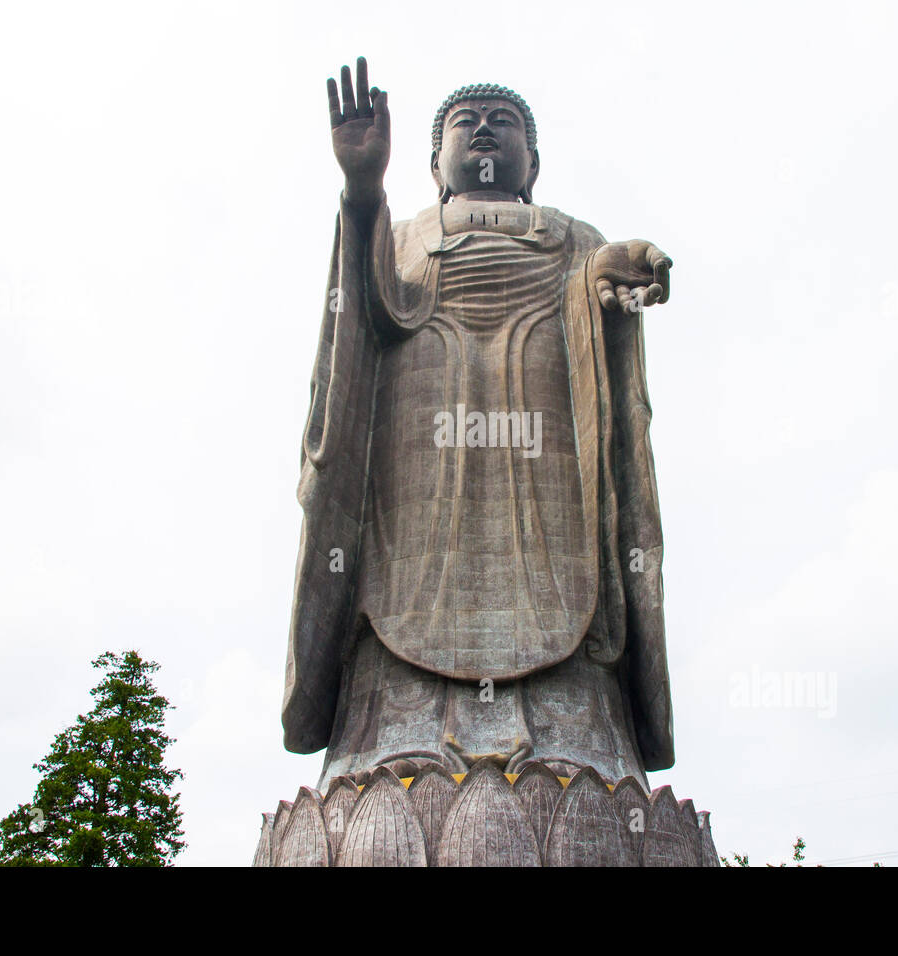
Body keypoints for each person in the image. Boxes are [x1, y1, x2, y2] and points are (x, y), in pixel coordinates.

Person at [284, 57, 676, 790]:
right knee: (402, 568)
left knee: (567, 561)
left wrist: (615, 277)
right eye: (468, 123)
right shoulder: (400, 232)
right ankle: (390, 740)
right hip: (420, 442)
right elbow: (365, 318)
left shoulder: (571, 235)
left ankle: (583, 745)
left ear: (533, 161)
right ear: (436, 163)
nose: (487, 130)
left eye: (507, 123)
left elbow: (597, 291)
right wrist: (362, 188)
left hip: (547, 440)